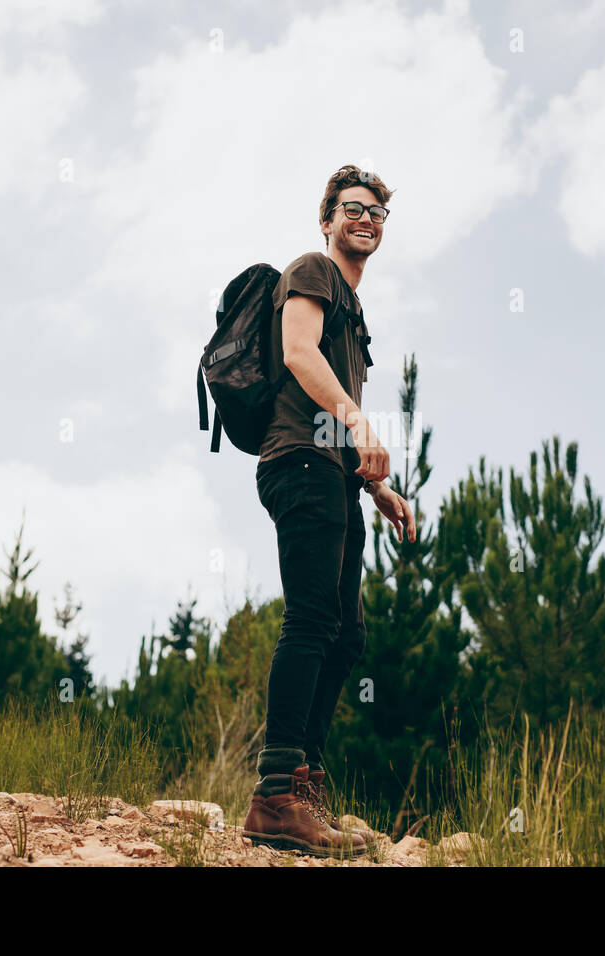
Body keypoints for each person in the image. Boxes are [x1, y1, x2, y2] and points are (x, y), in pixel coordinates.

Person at [242, 165, 417, 857]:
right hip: (298, 464)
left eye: (376, 211)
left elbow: (334, 393)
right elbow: (296, 353)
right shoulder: (313, 271)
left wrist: (376, 485)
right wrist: (357, 421)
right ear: (327, 219)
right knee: (313, 620)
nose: (366, 218)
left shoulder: (355, 309)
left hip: (335, 476)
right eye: (353, 207)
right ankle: (274, 794)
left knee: (346, 637)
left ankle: (306, 784)